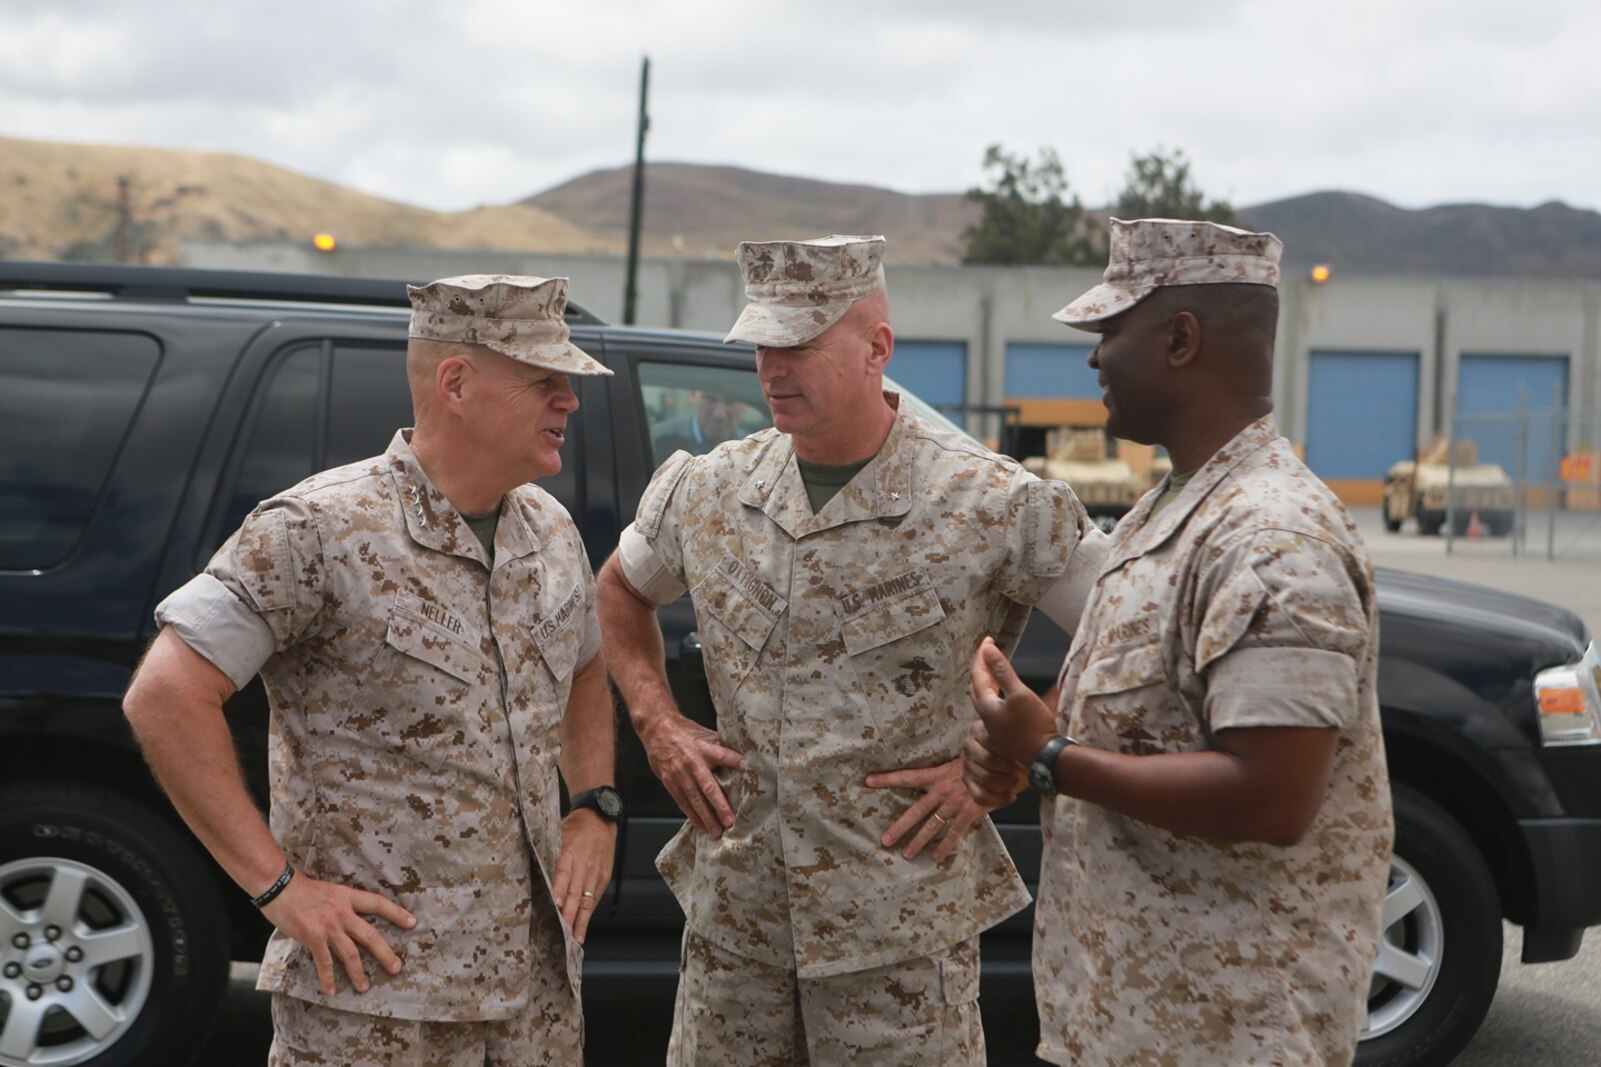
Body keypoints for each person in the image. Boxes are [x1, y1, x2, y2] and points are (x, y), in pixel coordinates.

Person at [595, 234, 1108, 1065]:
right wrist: (657, 722)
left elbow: (1130, 637)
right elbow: (618, 590)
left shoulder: (992, 502)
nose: (771, 367)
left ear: (877, 348)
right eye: (762, 343)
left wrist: (1017, 756)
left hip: (898, 938)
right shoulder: (708, 488)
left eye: (798, 343)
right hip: (736, 933)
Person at [122, 274, 620, 1066]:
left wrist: (594, 803)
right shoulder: (318, 528)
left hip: (532, 999)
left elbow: (588, 668)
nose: (569, 401)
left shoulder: (549, 529)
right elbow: (166, 694)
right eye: (543, 381)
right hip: (375, 1004)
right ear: (456, 383)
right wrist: (280, 889)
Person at [963, 219, 1393, 1066]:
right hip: (1123, 1016)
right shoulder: (1167, 510)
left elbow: (1272, 795)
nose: (1093, 359)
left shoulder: (1272, 537)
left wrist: (1050, 755)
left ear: (1179, 338)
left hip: (1229, 1032)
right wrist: (1023, 745)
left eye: (1109, 332)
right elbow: (1139, 705)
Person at [651, 389, 752, 460]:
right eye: (711, 400)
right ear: (693, 396)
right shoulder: (655, 439)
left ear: (746, 406)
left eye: (730, 402)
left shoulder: (753, 450)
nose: (719, 414)